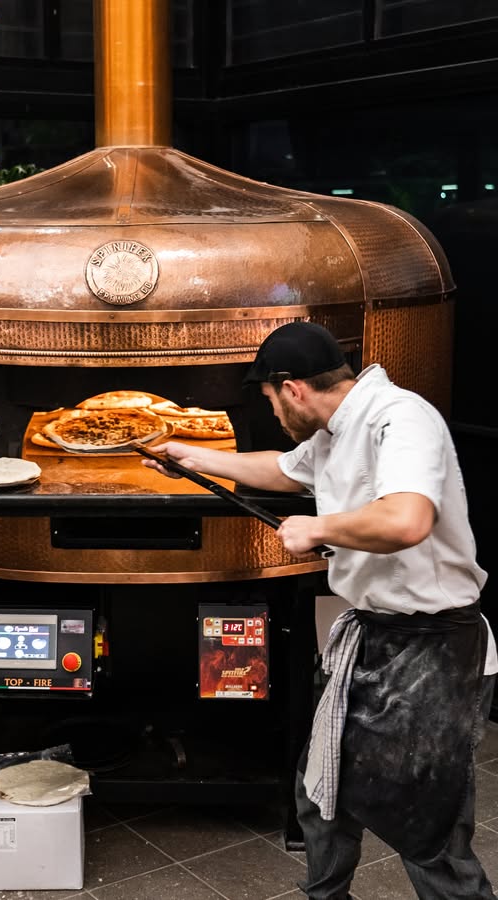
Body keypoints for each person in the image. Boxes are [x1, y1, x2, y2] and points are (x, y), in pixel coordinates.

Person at [142, 321, 497, 900]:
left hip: (435, 650)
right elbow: (283, 470)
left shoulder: (399, 419)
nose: (276, 416)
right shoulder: (336, 429)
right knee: (320, 793)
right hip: (373, 637)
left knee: (427, 828)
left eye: (271, 401)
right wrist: (191, 457)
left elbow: (408, 519)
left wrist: (320, 527)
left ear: (293, 388)